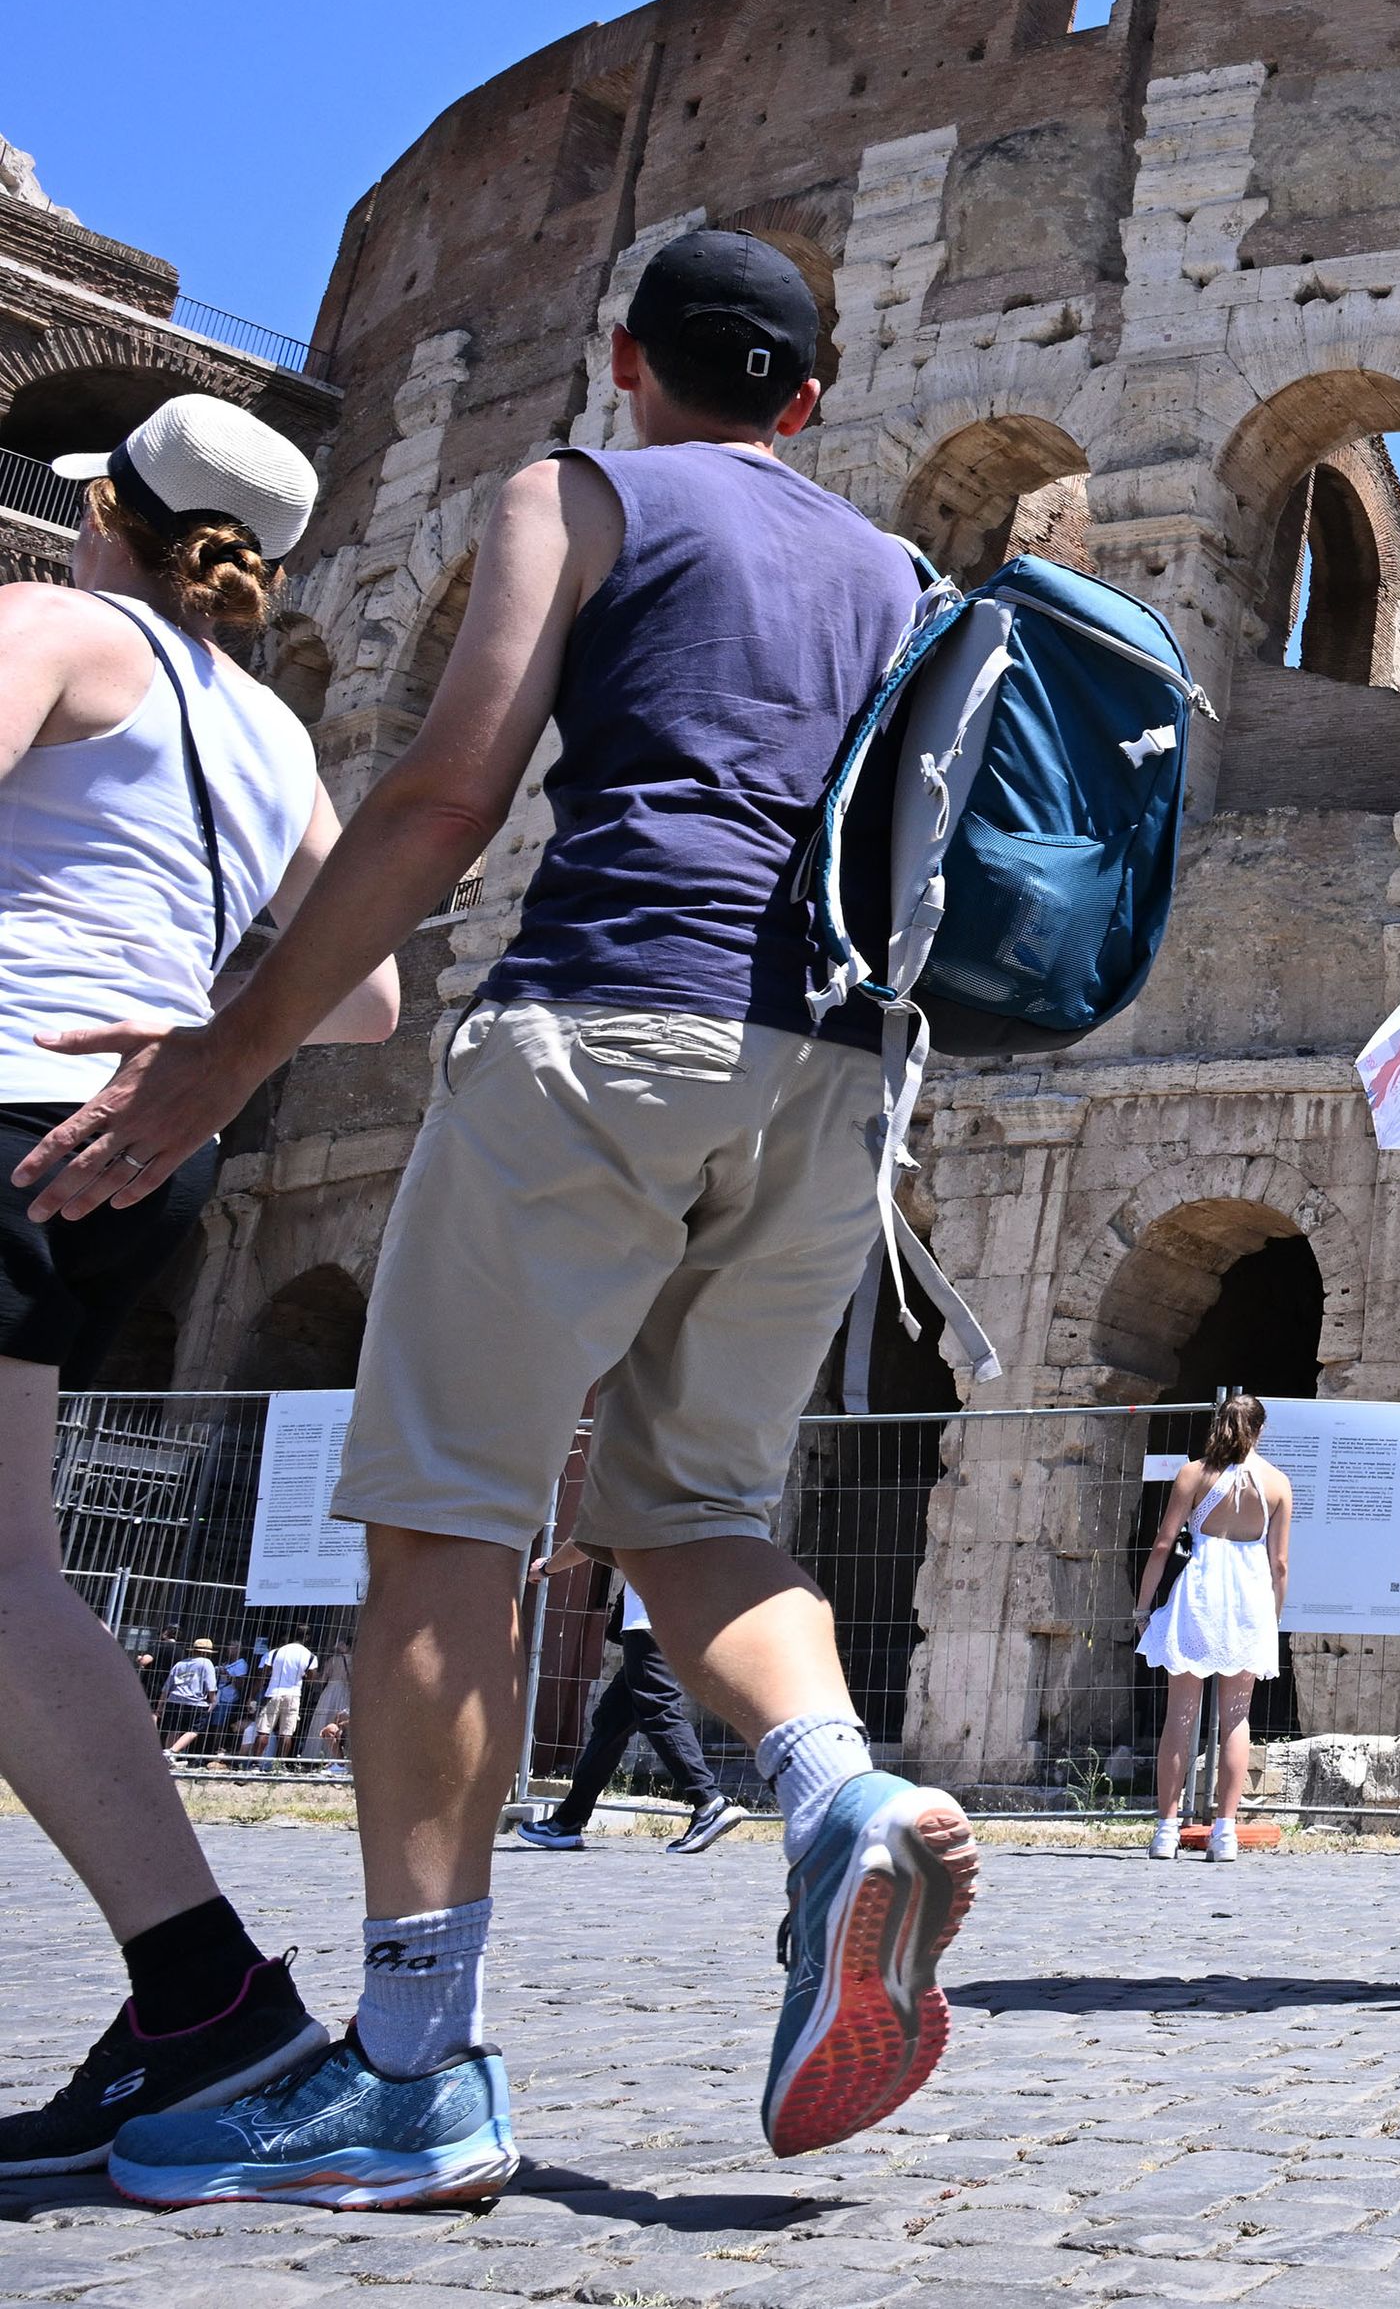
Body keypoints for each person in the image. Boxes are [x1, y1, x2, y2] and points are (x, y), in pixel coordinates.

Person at [26, 231, 975, 2204]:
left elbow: (451, 791)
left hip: (607, 1021)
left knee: (447, 1524)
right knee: (695, 1506)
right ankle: (836, 1785)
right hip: (835, 1076)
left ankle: (409, 2060)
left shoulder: (583, 487)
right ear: (807, 398)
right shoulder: (897, 571)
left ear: (623, 356)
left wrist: (218, 1055)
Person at [0, 394, 398, 2177]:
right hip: (152, 1154)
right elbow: (370, 998)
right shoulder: (268, 737)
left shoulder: (54, 626)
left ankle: (209, 1992)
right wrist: (194, 1036)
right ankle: (197, 1993)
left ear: (102, 512)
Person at [1134, 1391, 1292, 1863]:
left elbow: (1163, 1544)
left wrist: (1143, 1606)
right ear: (1260, 1430)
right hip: (1248, 1602)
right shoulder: (1278, 1483)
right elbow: (1279, 1563)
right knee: (1236, 1718)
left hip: (1200, 1595)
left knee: (1180, 1717)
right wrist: (1274, 1617)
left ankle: (1166, 1830)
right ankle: (1224, 1831)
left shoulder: (1193, 1473)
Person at [512, 1550, 738, 1856]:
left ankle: (708, 1802)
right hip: (680, 1606)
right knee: (612, 1719)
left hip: (652, 1612)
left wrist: (548, 1567)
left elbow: (588, 1538)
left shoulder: (643, 1500)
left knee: (657, 1706)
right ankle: (567, 1821)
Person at [256, 1633, 316, 1764]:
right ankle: (280, 1764)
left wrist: (252, 1696)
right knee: (286, 1733)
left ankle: (255, 1762)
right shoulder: (309, 1655)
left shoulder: (276, 1652)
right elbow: (312, 1678)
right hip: (294, 1694)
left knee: (264, 1730)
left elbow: (263, 1674)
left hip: (273, 1692)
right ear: (307, 1638)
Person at [154, 1641, 219, 1758]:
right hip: (196, 1702)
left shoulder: (180, 1664)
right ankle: (172, 1752)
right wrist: (213, 1701)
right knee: (194, 1730)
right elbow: (211, 1685)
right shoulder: (206, 1663)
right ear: (207, 1652)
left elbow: (167, 1686)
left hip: (174, 1700)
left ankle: (168, 1754)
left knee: (174, 1729)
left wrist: (161, 1704)